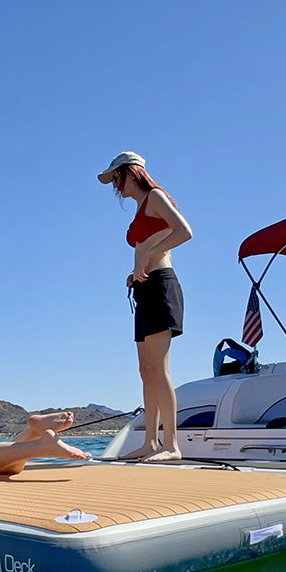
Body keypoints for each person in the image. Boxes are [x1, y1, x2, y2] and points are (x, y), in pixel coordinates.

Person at [98, 151, 192, 462]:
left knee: (159, 368)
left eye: (116, 177)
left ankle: (172, 445)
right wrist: (136, 270)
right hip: (145, 288)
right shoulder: (141, 208)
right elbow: (150, 248)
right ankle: (150, 442)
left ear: (130, 173)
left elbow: (184, 231)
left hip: (162, 285)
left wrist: (146, 252)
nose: (115, 185)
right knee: (146, 369)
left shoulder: (154, 196)